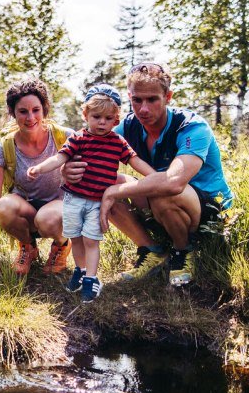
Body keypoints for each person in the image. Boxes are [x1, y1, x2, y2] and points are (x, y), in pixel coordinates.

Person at [92, 62, 233, 287]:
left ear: (168, 96)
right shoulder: (127, 127)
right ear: (129, 97)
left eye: (152, 99)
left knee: (161, 190)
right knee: (106, 181)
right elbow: (87, 146)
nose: (143, 109)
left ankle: (184, 251)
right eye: (137, 100)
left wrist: (114, 192)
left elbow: (174, 182)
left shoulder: (191, 126)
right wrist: (70, 166)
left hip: (209, 211)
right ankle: (152, 251)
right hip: (165, 206)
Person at [27, 84, 155, 302]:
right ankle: (81, 269)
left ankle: (91, 279)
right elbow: (60, 158)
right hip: (73, 199)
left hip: (96, 202)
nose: (102, 122)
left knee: (90, 240)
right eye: (96, 117)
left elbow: (134, 161)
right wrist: (39, 168)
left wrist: (155, 176)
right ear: (86, 115)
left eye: (108, 118)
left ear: (116, 120)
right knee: (75, 238)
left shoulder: (117, 142)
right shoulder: (79, 138)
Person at [0, 78, 79, 277]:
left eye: (36, 110)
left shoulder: (67, 137)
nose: (30, 117)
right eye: (23, 111)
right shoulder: (3, 149)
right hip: (25, 208)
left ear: (44, 109)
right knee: (2, 207)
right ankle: (28, 247)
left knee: (48, 219)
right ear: (12, 113)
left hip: (58, 210)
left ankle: (62, 245)